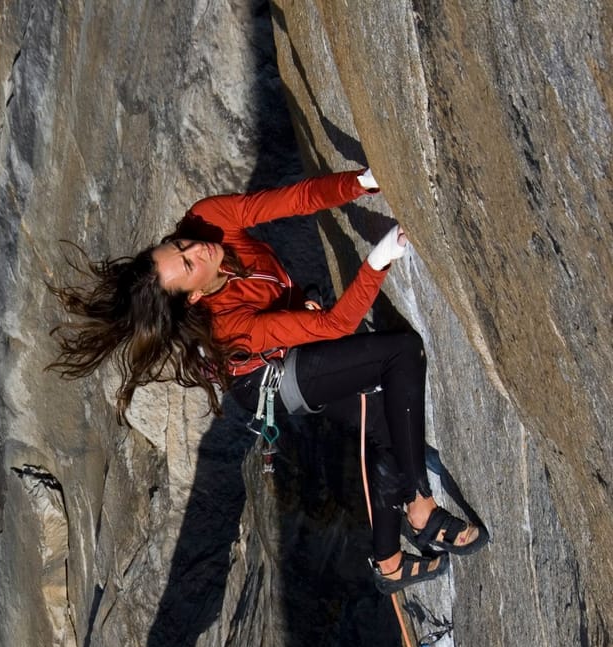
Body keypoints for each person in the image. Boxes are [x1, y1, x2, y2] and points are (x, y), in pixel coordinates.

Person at [49, 168, 486, 591]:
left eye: (180, 244)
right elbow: (336, 325)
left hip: (283, 335)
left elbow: (295, 200)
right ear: (195, 296)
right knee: (400, 353)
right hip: (269, 379)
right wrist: (379, 258)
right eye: (187, 262)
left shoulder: (208, 220)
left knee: (378, 418)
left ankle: (389, 563)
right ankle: (421, 507)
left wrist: (361, 183)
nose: (198, 248)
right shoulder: (226, 326)